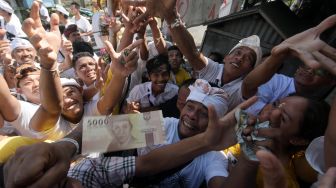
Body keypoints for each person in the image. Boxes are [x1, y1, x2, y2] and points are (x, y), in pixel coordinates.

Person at [124, 0, 262, 111]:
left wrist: (277, 55)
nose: (240, 58)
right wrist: (170, 17)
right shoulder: (212, 69)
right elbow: (193, 54)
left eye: (248, 58)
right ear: (226, 57)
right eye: (238, 53)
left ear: (251, 70)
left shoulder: (245, 87)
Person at [242, 15, 336, 115]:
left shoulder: (318, 109)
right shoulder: (273, 81)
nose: (309, 71)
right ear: (297, 69)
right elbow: (248, 90)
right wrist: (277, 56)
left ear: (331, 82)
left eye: (319, 71)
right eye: (305, 65)